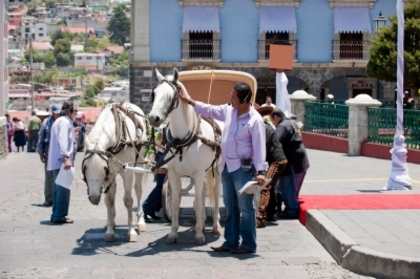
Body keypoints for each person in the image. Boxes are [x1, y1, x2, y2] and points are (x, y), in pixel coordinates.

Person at [180, 82, 267, 254]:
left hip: (244, 169)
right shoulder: (229, 111)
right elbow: (210, 110)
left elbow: (259, 147)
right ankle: (231, 242)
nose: (231, 99)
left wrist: (261, 172)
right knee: (230, 206)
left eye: (234, 97)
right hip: (227, 166)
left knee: (246, 209)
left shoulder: (255, 120)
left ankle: (249, 244)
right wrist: (190, 101)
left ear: (245, 100)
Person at [270, 109, 309, 219]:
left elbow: (275, 141)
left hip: (292, 161)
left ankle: (291, 211)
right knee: (294, 187)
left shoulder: (282, 126)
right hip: (301, 160)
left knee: (288, 186)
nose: (273, 123)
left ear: (276, 117)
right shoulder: (292, 122)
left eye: (272, 121)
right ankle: (291, 208)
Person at [253, 104, 288, 228]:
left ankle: (260, 218)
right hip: (275, 160)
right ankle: (271, 213)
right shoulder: (262, 127)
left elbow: (264, 148)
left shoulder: (264, 128)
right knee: (270, 187)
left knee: (265, 187)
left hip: (277, 160)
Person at [47, 101, 77, 224]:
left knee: (56, 190)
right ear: (69, 111)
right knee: (63, 190)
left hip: (54, 162)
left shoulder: (58, 121)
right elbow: (63, 141)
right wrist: (66, 158)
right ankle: (60, 215)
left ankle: (56, 214)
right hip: (61, 163)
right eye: (75, 111)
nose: (76, 113)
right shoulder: (65, 123)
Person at [142, 123, 167, 223]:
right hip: (162, 155)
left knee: (163, 186)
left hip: (166, 154)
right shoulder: (162, 127)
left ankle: (152, 209)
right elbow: (158, 142)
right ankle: (146, 207)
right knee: (161, 185)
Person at [37, 105, 61, 207]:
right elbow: (41, 137)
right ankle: (49, 198)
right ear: (52, 113)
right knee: (49, 177)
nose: (58, 114)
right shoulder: (46, 122)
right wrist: (41, 153)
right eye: (56, 113)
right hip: (49, 153)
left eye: (59, 112)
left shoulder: (63, 122)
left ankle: (59, 198)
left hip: (61, 153)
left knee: (61, 177)